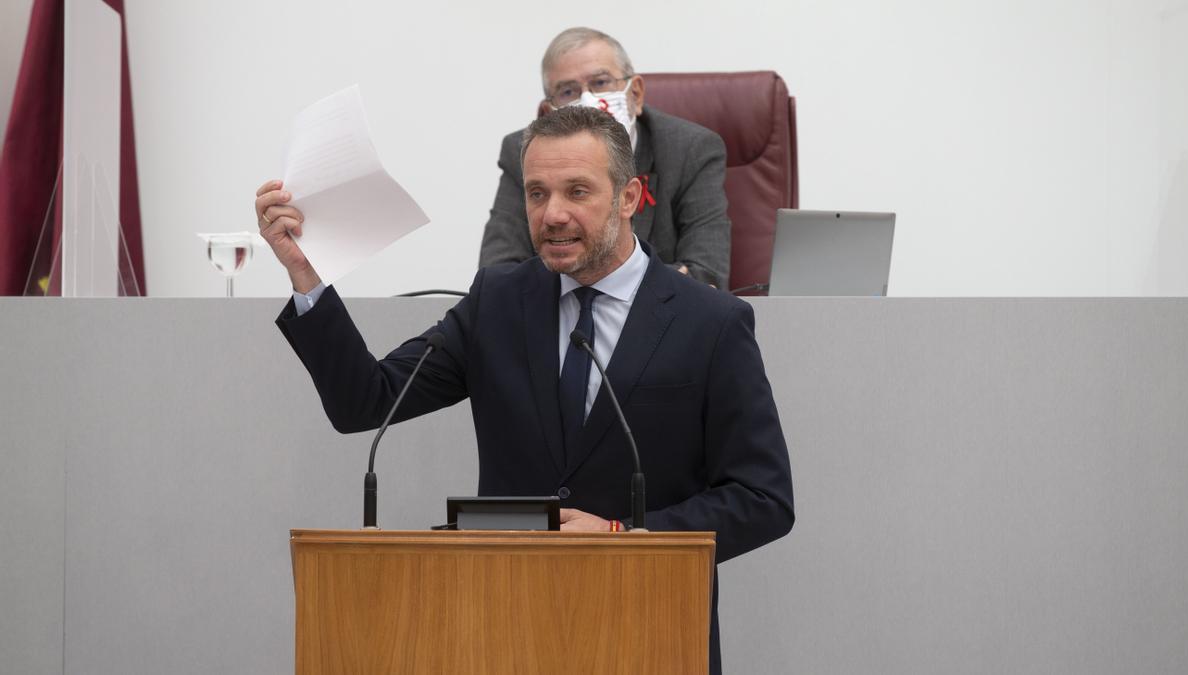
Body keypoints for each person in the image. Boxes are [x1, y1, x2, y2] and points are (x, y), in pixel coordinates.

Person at [255, 106, 793, 674]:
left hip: (648, 630)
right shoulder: (498, 302)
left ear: (629, 198)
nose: (552, 214)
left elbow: (764, 499)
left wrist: (628, 535)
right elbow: (364, 400)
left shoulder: (710, 322)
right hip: (505, 628)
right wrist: (305, 273)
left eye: (576, 191)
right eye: (537, 194)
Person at [479, 27, 733, 289]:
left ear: (635, 93)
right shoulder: (523, 153)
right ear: (548, 111)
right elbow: (499, 273)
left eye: (600, 83)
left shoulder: (690, 149)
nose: (587, 100)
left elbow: (705, 276)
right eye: (568, 91)